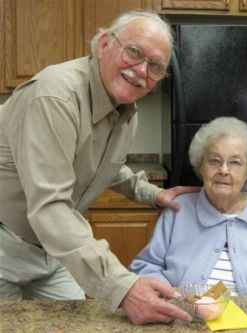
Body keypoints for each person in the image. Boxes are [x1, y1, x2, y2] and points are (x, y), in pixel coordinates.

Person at [0, 11, 197, 324]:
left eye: (155, 66)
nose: (141, 70)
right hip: (6, 241)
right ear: (105, 44)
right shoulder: (57, 97)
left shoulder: (124, 111)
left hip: (54, 250)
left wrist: (149, 193)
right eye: (134, 52)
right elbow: (50, 208)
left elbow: (103, 164)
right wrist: (123, 286)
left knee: (80, 325)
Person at [130, 117, 247, 298]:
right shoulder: (178, 210)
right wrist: (170, 296)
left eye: (235, 162)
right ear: (200, 165)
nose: (224, 170)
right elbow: (144, 267)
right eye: (215, 161)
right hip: (185, 317)